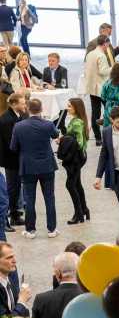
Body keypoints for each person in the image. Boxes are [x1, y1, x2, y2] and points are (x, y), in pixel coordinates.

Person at [10, 98, 58, 239]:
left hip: (28, 167)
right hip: (47, 166)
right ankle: (51, 229)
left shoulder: (19, 126)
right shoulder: (48, 125)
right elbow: (55, 134)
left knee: (29, 199)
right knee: (49, 198)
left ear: (28, 109)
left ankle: (30, 230)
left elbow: (13, 147)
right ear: (41, 108)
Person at [56, 98, 89, 225]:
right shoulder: (79, 121)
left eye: (70, 106)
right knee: (77, 184)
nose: (67, 108)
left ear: (76, 108)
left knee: (70, 185)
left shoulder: (77, 123)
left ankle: (78, 214)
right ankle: (84, 210)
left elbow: (79, 142)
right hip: (79, 157)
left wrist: (65, 141)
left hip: (76, 159)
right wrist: (65, 138)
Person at [0, 92, 24, 228]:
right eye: (22, 103)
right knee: (12, 188)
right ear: (14, 104)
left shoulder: (17, 116)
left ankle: (15, 214)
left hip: (16, 158)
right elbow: (11, 144)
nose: (24, 105)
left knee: (16, 186)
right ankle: (9, 217)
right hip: (11, 159)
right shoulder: (6, 120)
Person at [83, 34, 113, 144]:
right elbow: (103, 71)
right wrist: (113, 68)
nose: (108, 47)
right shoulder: (101, 55)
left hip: (92, 87)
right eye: (108, 45)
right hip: (102, 88)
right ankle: (109, 135)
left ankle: (98, 138)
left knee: (95, 112)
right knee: (108, 110)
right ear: (105, 43)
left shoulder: (90, 54)